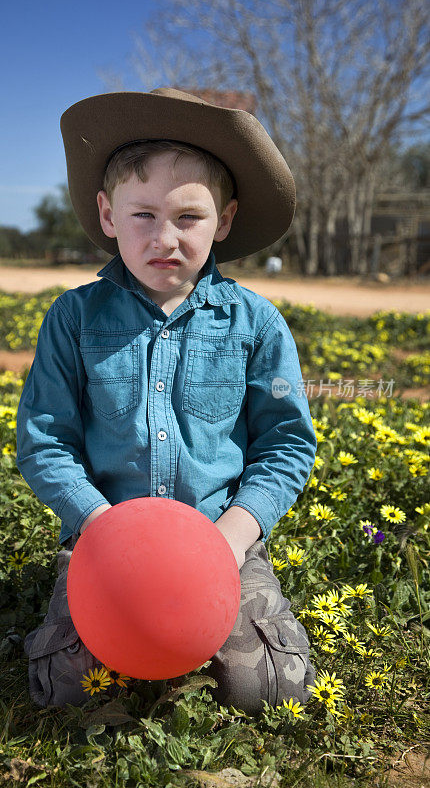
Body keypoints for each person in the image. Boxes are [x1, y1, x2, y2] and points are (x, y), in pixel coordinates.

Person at [16, 87, 317, 714]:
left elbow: (286, 444)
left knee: (271, 692)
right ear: (106, 215)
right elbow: (45, 439)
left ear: (225, 220)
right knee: (64, 692)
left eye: (189, 218)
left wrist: (231, 537)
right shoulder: (73, 319)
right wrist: (100, 528)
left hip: (217, 538)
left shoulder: (257, 324)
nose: (165, 238)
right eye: (143, 215)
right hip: (105, 540)